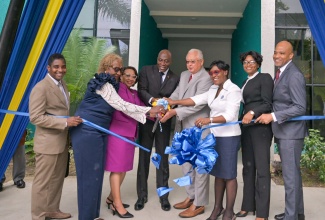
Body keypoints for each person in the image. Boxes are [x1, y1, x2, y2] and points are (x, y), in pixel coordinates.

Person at [70, 53, 165, 220]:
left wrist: (152, 112)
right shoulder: (102, 82)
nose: (119, 73)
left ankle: (92, 215)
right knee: (89, 177)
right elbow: (120, 105)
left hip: (98, 131)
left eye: (120, 69)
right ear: (106, 67)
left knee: (96, 176)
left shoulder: (111, 83)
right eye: (117, 69)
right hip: (88, 131)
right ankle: (88, 216)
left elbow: (128, 107)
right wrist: (149, 110)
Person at [164, 60, 241, 220]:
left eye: (217, 72)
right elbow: (196, 100)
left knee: (229, 175)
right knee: (218, 174)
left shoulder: (233, 90)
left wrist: (209, 120)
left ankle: (229, 212)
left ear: (225, 72)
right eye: (211, 73)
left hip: (229, 137)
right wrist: (175, 102)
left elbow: (230, 116)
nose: (214, 76)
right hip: (214, 137)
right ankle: (217, 208)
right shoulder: (213, 89)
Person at [256, 40, 307, 220]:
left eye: (282, 53)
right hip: (284, 132)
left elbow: (300, 107)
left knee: (291, 178)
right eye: (276, 52)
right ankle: (296, 213)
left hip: (291, 134)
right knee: (293, 176)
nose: (277, 56)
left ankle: (291, 216)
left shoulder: (294, 75)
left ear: (291, 56)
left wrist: (273, 116)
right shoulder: (281, 73)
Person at [29, 53, 83, 220]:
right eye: (56, 67)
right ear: (49, 68)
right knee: (42, 183)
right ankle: (38, 215)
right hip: (47, 144)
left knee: (57, 180)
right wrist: (65, 123)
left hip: (61, 142)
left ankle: (52, 211)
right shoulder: (41, 88)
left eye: (63, 66)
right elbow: (35, 117)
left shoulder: (62, 84)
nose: (61, 70)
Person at [160, 48, 212, 218]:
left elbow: (197, 105)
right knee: (186, 166)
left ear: (201, 62)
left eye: (193, 61)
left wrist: (174, 112)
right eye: (187, 61)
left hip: (198, 130)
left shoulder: (207, 78)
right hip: (182, 128)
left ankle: (199, 204)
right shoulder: (183, 75)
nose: (189, 64)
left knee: (199, 168)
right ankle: (191, 196)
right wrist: (168, 102)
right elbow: (177, 94)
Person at [135, 49, 179, 212]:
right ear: (157, 59)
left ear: (170, 61)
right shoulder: (146, 70)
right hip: (146, 120)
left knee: (162, 158)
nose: (162, 63)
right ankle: (142, 196)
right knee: (144, 158)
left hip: (164, 122)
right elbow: (141, 90)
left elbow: (174, 99)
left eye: (166, 61)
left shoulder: (175, 78)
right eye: (160, 60)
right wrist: (154, 101)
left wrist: (167, 108)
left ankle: (163, 197)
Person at [235, 51, 273, 220]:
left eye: (251, 62)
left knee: (262, 169)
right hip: (247, 129)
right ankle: (247, 206)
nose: (248, 65)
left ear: (258, 63)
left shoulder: (264, 78)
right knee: (248, 168)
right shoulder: (244, 82)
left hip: (261, 129)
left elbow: (267, 103)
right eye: (245, 62)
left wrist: (251, 112)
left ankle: (262, 213)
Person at [105, 66, 144, 218]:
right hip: (117, 134)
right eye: (127, 75)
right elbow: (128, 108)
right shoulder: (117, 89)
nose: (130, 79)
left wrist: (159, 113)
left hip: (130, 134)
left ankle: (110, 198)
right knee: (117, 169)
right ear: (121, 76)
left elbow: (142, 109)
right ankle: (117, 204)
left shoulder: (134, 93)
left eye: (133, 77)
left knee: (123, 169)